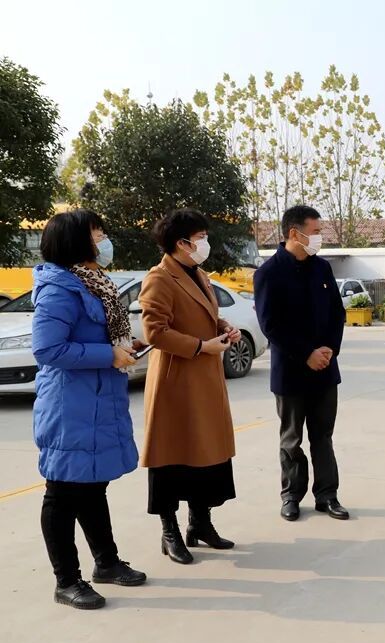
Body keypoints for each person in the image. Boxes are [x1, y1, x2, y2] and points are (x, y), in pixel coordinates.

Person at [32, 210, 148, 609]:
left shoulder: (94, 282)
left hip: (98, 398)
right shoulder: (59, 289)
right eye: (96, 234)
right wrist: (107, 354)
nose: (103, 241)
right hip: (70, 405)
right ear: (75, 242)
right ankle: (66, 580)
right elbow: (48, 349)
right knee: (62, 492)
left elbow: (99, 334)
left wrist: (123, 346)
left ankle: (107, 563)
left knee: (93, 485)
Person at [139, 209, 240, 564]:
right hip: (176, 381)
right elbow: (155, 332)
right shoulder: (159, 278)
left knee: (206, 456)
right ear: (181, 243)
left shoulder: (199, 273)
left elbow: (205, 316)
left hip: (205, 377)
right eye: (200, 238)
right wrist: (200, 346)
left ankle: (200, 523)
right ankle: (170, 531)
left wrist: (224, 327)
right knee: (171, 458)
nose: (205, 243)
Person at [255, 205, 348, 522]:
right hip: (291, 371)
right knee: (291, 439)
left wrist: (329, 350)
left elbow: (337, 313)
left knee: (323, 436)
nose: (320, 237)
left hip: (325, 369)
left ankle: (327, 495)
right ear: (294, 233)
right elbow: (271, 325)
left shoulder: (322, 268)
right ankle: (291, 495)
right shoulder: (269, 273)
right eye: (316, 231)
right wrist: (307, 353)